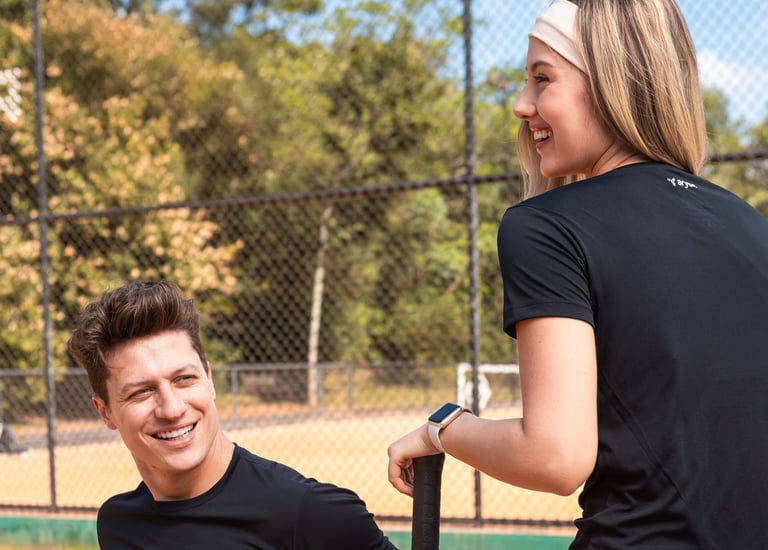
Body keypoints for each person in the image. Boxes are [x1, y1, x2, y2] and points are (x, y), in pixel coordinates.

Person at [387, 0, 768, 548]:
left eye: (543, 79)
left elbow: (554, 457)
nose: (521, 105)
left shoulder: (545, 225)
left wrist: (443, 428)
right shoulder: (747, 221)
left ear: (614, 84)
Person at [68, 280, 396, 550]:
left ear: (209, 380)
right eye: (141, 392)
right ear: (105, 412)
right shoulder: (119, 525)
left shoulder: (311, 514)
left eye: (184, 379)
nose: (172, 408)